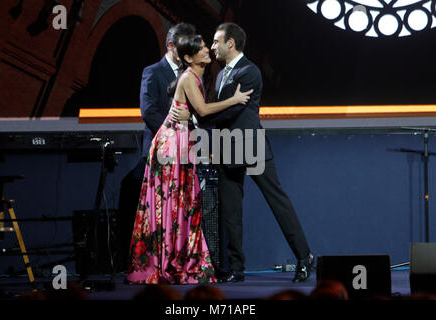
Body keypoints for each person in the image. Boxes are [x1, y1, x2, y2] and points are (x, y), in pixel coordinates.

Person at [126, 34, 253, 284]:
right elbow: (204, 111)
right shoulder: (188, 78)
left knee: (183, 203)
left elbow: (196, 114)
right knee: (172, 205)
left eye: (207, 47)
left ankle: (178, 260)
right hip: (170, 147)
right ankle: (166, 263)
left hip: (181, 143)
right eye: (202, 49)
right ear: (188, 57)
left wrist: (190, 119)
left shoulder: (195, 77)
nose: (208, 51)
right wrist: (235, 100)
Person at [207, 22, 314, 283]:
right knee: (230, 212)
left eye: (215, 41)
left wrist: (203, 112)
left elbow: (230, 111)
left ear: (230, 43)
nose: (212, 47)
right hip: (224, 145)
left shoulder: (250, 71)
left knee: (277, 202)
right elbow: (220, 108)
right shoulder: (220, 75)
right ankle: (236, 268)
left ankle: (304, 257)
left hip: (250, 145)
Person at [118, 23, 195, 271]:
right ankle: (141, 263)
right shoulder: (153, 72)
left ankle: (176, 261)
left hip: (185, 153)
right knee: (151, 208)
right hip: (159, 151)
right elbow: (148, 110)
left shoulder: (191, 74)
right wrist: (171, 135)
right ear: (170, 45)